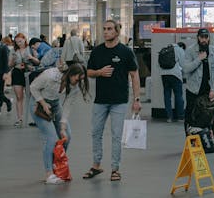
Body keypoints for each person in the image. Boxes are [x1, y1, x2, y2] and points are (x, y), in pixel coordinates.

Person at [84, 20, 140, 182]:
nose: (106, 32)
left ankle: (115, 169)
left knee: (116, 135)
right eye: (104, 29)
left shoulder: (125, 52)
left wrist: (136, 99)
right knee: (96, 133)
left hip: (119, 100)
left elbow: (134, 75)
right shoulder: (97, 51)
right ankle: (96, 165)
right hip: (100, 100)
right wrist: (99, 72)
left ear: (117, 32)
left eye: (109, 29)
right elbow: (88, 72)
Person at [30, 63, 89, 185]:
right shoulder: (50, 76)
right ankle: (49, 174)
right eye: (77, 79)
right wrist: (43, 103)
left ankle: (57, 166)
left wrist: (62, 127)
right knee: (51, 138)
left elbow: (67, 106)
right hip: (38, 103)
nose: (77, 82)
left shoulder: (74, 86)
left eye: (81, 80)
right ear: (71, 74)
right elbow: (33, 87)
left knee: (66, 136)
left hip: (55, 104)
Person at [183, 28, 214, 137]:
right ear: (198, 38)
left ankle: (210, 141)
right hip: (193, 90)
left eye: (206, 37)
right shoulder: (190, 51)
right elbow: (186, 69)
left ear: (209, 38)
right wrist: (198, 59)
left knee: (210, 116)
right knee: (190, 115)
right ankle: (191, 141)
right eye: (202, 37)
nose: (204, 40)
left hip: (208, 90)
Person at [11, 33, 39, 127]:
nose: (19, 43)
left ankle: (34, 118)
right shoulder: (13, 50)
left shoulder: (30, 49)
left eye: (20, 41)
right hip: (17, 72)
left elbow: (38, 61)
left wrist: (31, 58)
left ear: (24, 39)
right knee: (19, 97)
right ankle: (20, 118)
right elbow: (9, 64)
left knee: (31, 96)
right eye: (17, 42)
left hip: (29, 73)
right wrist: (13, 61)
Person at [159, 41, 185, 123]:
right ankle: (180, 116)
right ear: (182, 46)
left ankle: (169, 117)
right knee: (178, 95)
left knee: (167, 96)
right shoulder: (180, 50)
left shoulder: (165, 49)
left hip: (164, 75)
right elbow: (183, 64)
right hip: (175, 75)